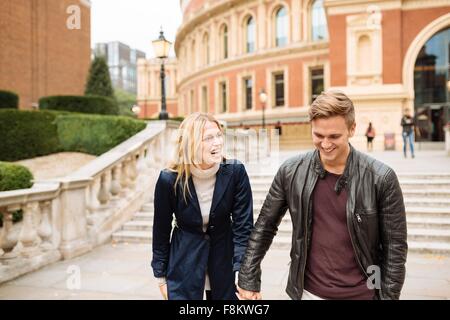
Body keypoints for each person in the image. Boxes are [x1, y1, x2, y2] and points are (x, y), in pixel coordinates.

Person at [237, 90, 407, 300]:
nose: (325, 144)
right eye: (318, 135)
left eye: (334, 136)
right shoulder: (291, 171)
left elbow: (395, 249)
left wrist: (389, 297)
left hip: (363, 294)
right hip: (308, 293)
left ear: (352, 129)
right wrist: (247, 277)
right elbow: (264, 226)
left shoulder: (381, 178)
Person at [151, 112, 254, 300]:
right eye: (208, 138)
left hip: (225, 263)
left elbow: (243, 228)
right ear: (191, 144)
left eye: (218, 135)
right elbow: (161, 231)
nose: (217, 143)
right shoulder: (169, 180)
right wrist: (160, 277)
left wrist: (244, 273)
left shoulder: (235, 172)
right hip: (184, 262)